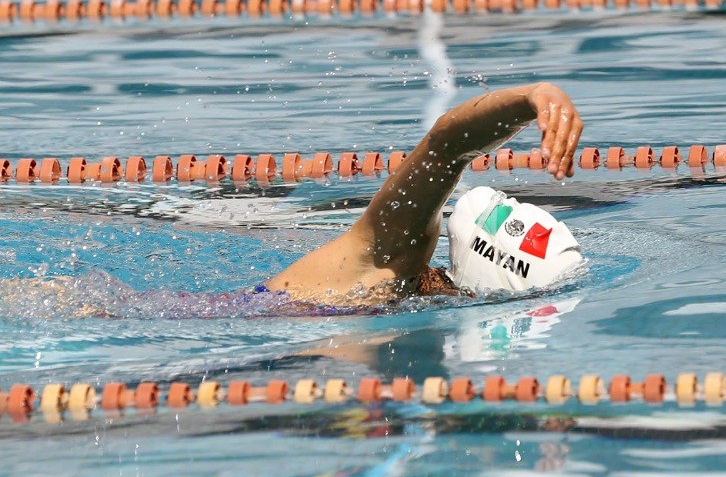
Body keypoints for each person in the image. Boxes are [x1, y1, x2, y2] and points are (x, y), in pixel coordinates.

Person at [0, 83, 587, 317]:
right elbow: (442, 147)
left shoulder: (396, 286)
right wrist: (531, 98)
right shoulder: (390, 261)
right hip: (133, 319)